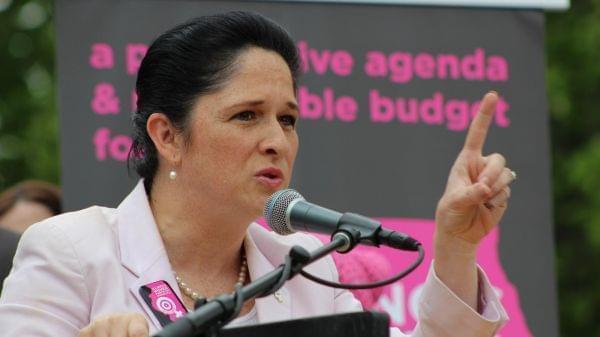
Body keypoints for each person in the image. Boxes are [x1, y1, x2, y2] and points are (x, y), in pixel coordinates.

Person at [0, 12, 515, 337]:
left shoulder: (307, 269)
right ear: (167, 136)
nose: (277, 140)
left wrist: (456, 245)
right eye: (246, 115)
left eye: (287, 119)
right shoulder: (72, 250)